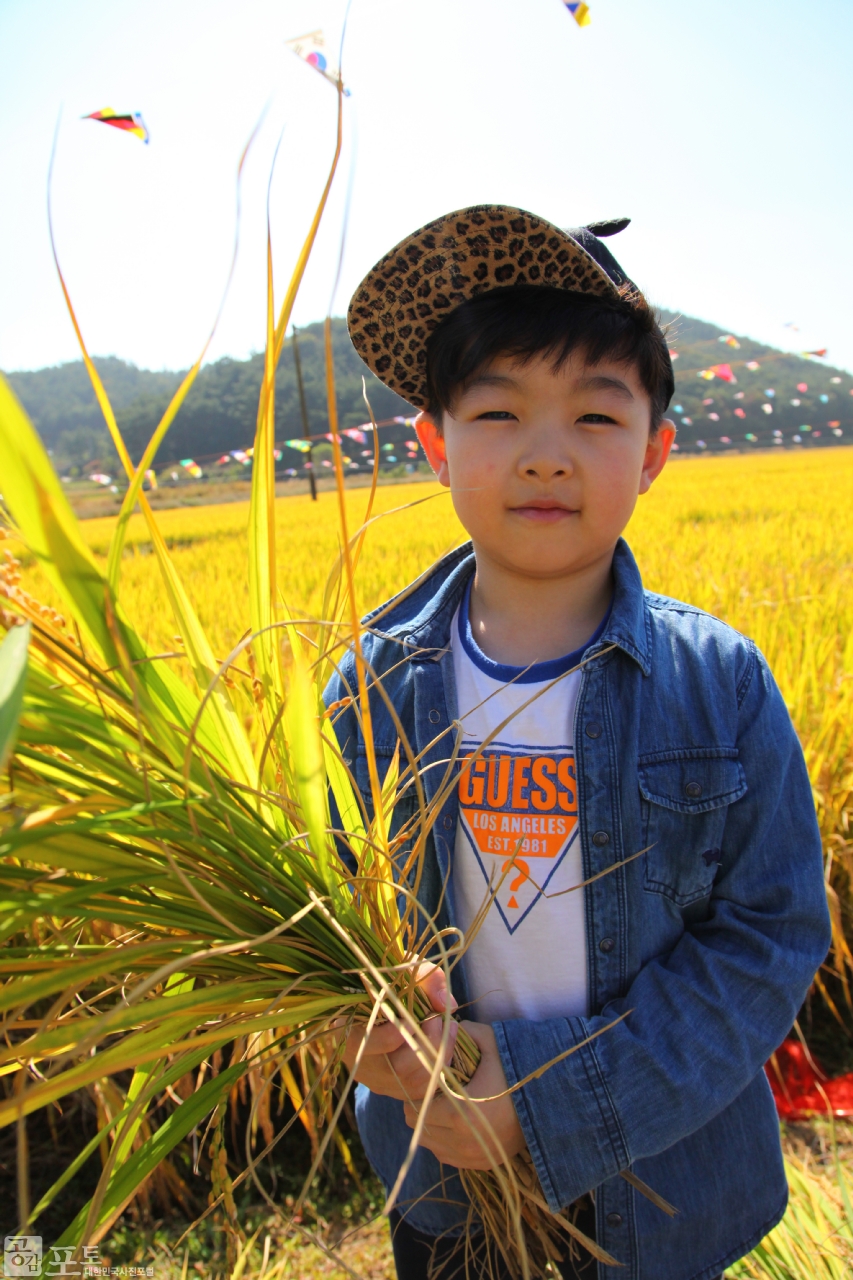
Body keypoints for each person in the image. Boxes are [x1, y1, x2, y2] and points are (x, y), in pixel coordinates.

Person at [325, 205, 831, 1280]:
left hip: (668, 1186)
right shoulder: (369, 690)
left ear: (653, 453)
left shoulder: (719, 685)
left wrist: (551, 1100)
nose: (546, 455)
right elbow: (326, 925)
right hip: (445, 1178)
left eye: (595, 419)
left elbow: (771, 933)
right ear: (434, 443)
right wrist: (353, 1023)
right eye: (499, 410)